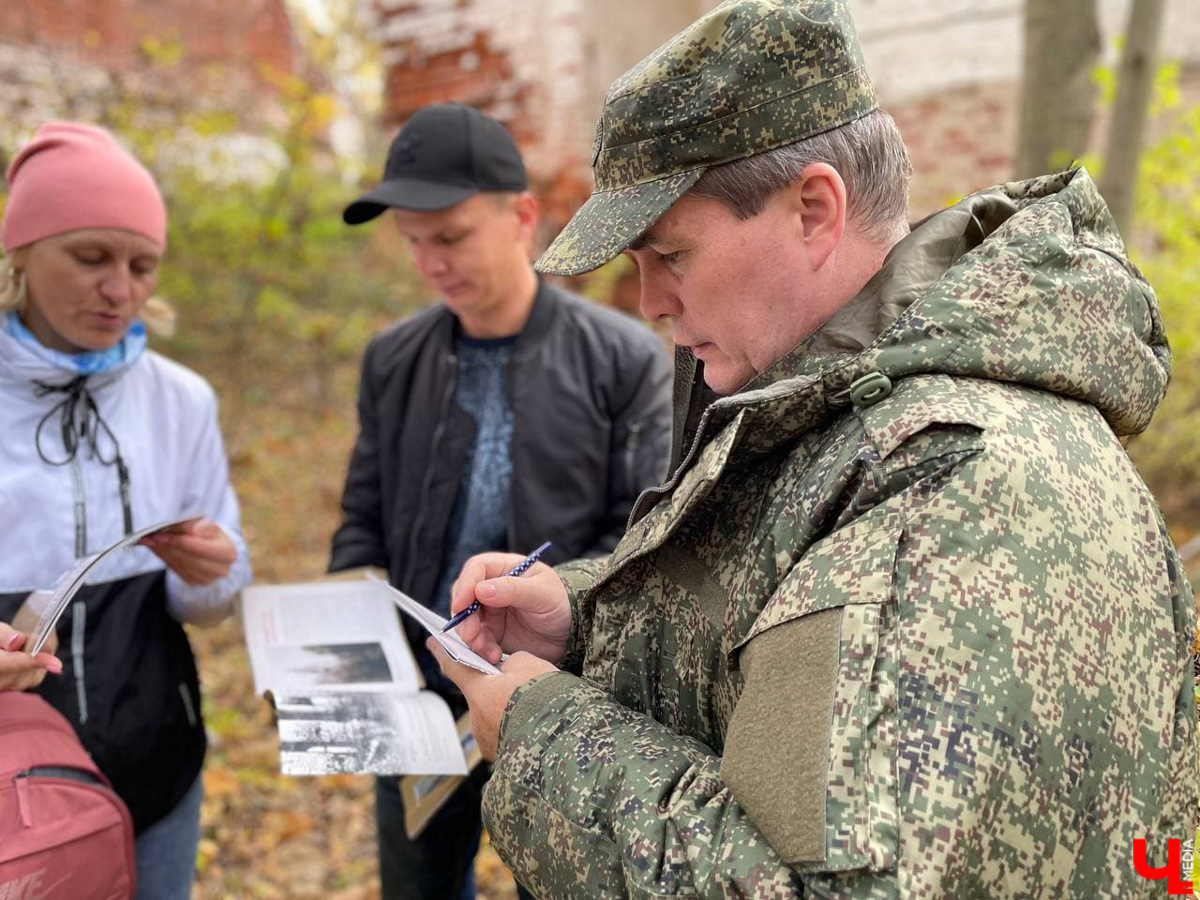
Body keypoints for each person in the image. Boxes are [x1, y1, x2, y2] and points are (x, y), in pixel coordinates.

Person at [430, 1, 1200, 897]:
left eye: (670, 254)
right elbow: (776, 631)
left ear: (813, 209)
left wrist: (543, 741)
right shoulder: (846, 416)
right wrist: (589, 619)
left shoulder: (947, 484)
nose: (649, 302)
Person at [330, 101, 673, 899]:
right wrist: (342, 642)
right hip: (418, 697)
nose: (430, 264)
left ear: (523, 217)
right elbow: (363, 518)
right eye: (413, 245)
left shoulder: (622, 358)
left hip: (557, 700)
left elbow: (642, 542)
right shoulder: (392, 359)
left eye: (449, 237)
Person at [0, 121, 252, 900]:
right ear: (20, 254)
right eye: (90, 258)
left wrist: (213, 572)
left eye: (143, 266)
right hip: (11, 784)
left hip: (156, 770)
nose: (121, 290)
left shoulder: (181, 401)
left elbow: (211, 603)